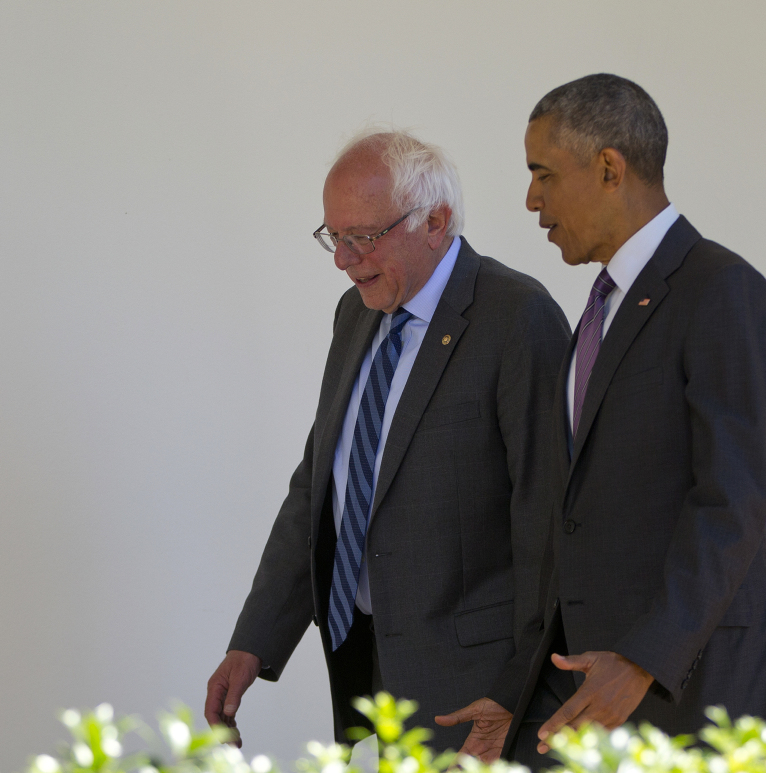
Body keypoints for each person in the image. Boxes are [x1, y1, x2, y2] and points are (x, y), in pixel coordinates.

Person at [437, 74, 766, 768]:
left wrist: (641, 660)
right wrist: (516, 689)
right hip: (593, 711)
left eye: (542, 173)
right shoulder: (599, 310)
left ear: (609, 166)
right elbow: (568, 527)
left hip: (696, 703)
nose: (530, 200)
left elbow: (731, 502)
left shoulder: (721, 290)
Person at [205, 129, 570, 750]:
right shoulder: (357, 314)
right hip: (375, 677)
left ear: (436, 221)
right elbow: (321, 490)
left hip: (487, 696)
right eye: (333, 238)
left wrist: (518, 690)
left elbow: (551, 522)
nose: (343, 260)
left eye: (363, 238)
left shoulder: (517, 317)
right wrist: (256, 640)